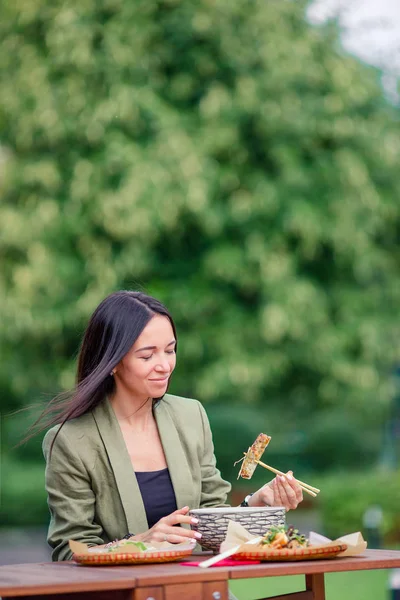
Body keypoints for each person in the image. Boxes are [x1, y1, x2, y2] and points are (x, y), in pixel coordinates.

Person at [41, 290, 303, 561]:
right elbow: (70, 552)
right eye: (147, 356)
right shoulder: (72, 441)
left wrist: (257, 503)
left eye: (170, 350)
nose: (164, 365)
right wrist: (142, 542)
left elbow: (213, 523)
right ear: (113, 362)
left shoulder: (191, 416)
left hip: (194, 585)